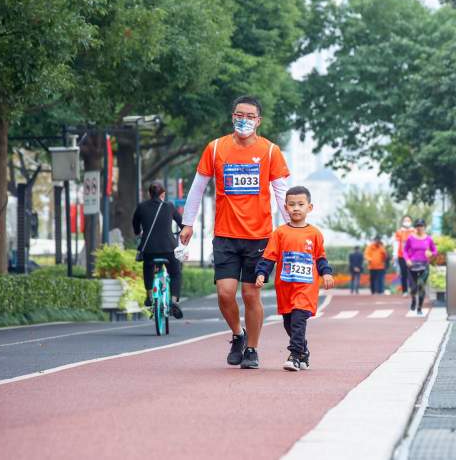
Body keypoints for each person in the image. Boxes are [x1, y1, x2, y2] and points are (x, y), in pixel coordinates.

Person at [179, 95, 291, 370]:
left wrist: (292, 229)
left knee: (251, 294)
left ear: (258, 121)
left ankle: (252, 349)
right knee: (225, 293)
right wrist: (187, 222)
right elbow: (197, 187)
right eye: (239, 115)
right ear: (232, 117)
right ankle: (238, 335)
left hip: (259, 236)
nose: (244, 120)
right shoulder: (216, 148)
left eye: (250, 116)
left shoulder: (270, 151)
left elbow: (282, 192)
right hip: (226, 235)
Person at [254, 186, 334, 371]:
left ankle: (295, 355)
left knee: (299, 319)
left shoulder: (314, 234)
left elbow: (321, 257)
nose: (296, 208)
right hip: (285, 288)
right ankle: (304, 350)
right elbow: (269, 257)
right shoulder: (280, 233)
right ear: (285, 208)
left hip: (306, 288)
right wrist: (261, 273)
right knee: (289, 322)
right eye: (291, 205)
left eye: (300, 204)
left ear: (309, 207)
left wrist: (326, 273)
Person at [132, 181, 184, 319]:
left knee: (148, 268)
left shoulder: (142, 207)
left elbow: (135, 224)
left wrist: (138, 232)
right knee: (176, 272)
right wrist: (181, 234)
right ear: (163, 194)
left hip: (149, 249)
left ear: (149, 194)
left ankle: (149, 295)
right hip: (169, 248)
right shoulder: (170, 206)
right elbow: (182, 223)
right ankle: (173, 302)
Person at [403, 218, 438, 315]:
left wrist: (431, 253)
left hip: (424, 265)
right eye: (417, 226)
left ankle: (419, 308)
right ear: (415, 227)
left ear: (424, 227)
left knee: (421, 286)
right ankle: (413, 299)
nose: (419, 228)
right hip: (412, 265)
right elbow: (405, 251)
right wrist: (407, 260)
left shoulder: (428, 239)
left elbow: (435, 251)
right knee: (413, 288)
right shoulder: (410, 238)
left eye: (421, 226)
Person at [394, 216, 415, 295]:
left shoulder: (414, 231)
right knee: (404, 273)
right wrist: (395, 254)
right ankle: (405, 291)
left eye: (408, 220)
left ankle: (413, 289)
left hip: (412, 256)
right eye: (405, 220)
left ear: (411, 221)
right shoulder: (399, 232)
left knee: (412, 273)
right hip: (401, 256)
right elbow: (396, 243)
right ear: (402, 222)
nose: (407, 222)